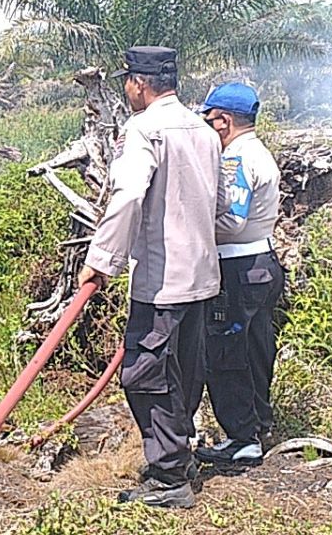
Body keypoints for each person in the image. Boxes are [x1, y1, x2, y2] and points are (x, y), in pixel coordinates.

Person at [77, 46, 221, 510]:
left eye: (127, 82)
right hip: (201, 274)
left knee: (145, 375)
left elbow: (128, 195)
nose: (126, 89)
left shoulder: (143, 129)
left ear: (139, 83)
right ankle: (181, 457)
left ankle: (168, 477)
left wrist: (102, 259)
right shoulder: (204, 130)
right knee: (184, 370)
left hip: (163, 281)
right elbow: (215, 204)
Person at [196, 82, 285, 467]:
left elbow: (232, 218)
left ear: (224, 120)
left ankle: (241, 438)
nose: (206, 126)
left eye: (208, 118)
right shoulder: (258, 151)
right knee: (256, 349)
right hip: (261, 263)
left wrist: (193, 230)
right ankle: (259, 425)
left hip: (236, 268)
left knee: (225, 352)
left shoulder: (234, 158)